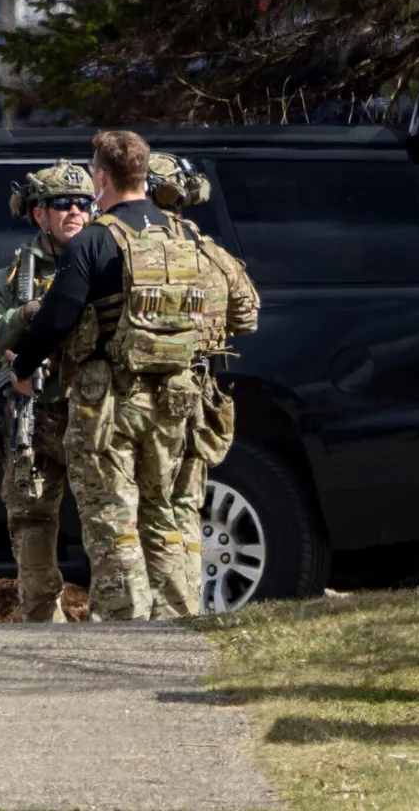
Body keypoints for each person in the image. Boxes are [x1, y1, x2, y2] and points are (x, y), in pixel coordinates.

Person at [8, 130, 205, 621]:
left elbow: (58, 316)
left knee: (113, 518)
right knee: (162, 511)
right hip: (173, 397)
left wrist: (24, 367)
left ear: (101, 177)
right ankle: (178, 619)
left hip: (110, 404)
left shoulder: (96, 240)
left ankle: (124, 624)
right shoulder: (185, 235)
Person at [0, 160, 95, 622]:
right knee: (31, 521)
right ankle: (42, 619)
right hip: (36, 416)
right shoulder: (16, 273)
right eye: (61, 204)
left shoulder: (104, 256)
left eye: (83, 203)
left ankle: (121, 626)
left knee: (108, 520)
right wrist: (26, 315)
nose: (74, 212)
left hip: (92, 413)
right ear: (37, 214)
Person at [145, 153, 259, 616]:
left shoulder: (139, 248)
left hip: (147, 398)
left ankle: (159, 609)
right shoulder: (213, 253)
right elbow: (247, 317)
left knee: (148, 506)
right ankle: (188, 606)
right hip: (199, 395)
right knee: (187, 506)